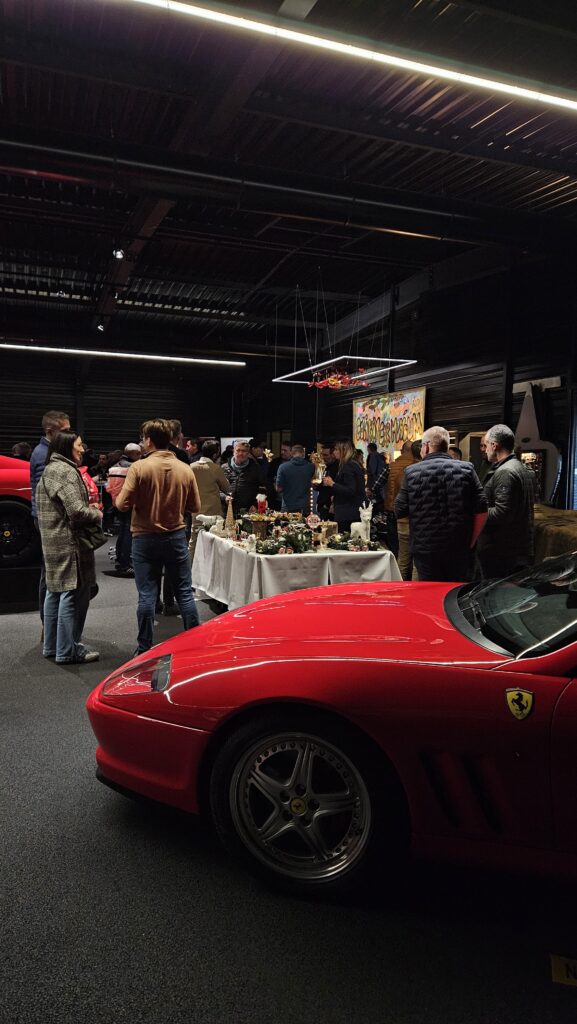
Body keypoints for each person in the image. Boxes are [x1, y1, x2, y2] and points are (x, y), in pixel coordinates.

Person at [115, 418, 201, 655]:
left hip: (144, 538)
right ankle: (195, 646)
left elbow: (122, 505)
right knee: (184, 592)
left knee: (147, 595)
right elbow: (195, 505)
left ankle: (143, 648)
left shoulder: (139, 468)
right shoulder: (185, 468)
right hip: (175, 537)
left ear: (149, 440)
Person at [36, 429, 102, 664]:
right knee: (71, 595)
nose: (83, 450)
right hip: (69, 542)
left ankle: (53, 648)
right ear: (67, 448)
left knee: (55, 593)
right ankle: (67, 650)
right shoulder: (65, 471)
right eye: (79, 446)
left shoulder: (50, 469)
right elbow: (76, 510)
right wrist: (96, 513)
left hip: (52, 540)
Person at [394, 425, 488, 583]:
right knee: (457, 595)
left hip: (426, 551)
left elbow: (400, 510)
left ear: (426, 446)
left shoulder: (411, 472)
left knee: (429, 595)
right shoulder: (467, 469)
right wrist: (471, 540)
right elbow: (482, 508)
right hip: (459, 549)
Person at [476, 423, 535, 579]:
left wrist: (476, 513)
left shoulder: (505, 472)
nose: (485, 449)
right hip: (513, 548)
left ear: (495, 445)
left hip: (502, 551)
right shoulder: (518, 467)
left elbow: (502, 513)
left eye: (486, 445)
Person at [30, 409, 71, 631]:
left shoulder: (45, 451)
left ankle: (50, 627)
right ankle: (49, 627)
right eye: (65, 431)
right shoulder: (43, 454)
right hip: (49, 521)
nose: (69, 435)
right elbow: (47, 493)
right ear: (50, 431)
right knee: (51, 576)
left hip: (46, 519)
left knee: (50, 574)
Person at [189, 440, 231, 559]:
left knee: (194, 541)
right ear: (214, 455)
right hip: (214, 511)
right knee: (215, 540)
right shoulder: (215, 468)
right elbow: (226, 488)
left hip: (196, 510)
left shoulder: (191, 467)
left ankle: (190, 569)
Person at [381, 439, 419, 565]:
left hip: (395, 511)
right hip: (414, 517)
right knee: (415, 560)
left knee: (398, 551)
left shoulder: (392, 466)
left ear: (403, 451)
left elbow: (377, 484)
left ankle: (395, 574)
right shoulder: (418, 469)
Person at [106, 443, 142, 575]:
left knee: (122, 532)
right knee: (128, 533)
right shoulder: (133, 467)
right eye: (138, 454)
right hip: (129, 504)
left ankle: (121, 561)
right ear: (132, 454)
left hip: (116, 503)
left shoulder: (114, 467)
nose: (140, 456)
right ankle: (126, 563)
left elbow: (108, 487)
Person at [322, 439, 366, 532]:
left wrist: (332, 484)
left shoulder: (349, 466)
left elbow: (350, 490)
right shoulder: (350, 464)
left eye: (336, 450)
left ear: (344, 450)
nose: (334, 452)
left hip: (348, 514)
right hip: (350, 512)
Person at [222, 439, 262, 516]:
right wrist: (224, 497)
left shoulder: (255, 468)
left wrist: (255, 504)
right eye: (238, 450)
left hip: (248, 511)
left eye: (244, 451)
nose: (240, 453)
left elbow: (262, 488)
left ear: (248, 453)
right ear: (234, 451)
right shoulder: (224, 467)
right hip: (227, 510)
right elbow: (216, 488)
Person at [275, 444, 315, 515]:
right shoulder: (311, 467)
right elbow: (314, 484)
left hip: (287, 506)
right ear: (303, 454)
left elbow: (279, 488)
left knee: (286, 526)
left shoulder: (283, 467)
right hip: (304, 507)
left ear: (291, 453)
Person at [315, 442, 338, 520]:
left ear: (333, 454)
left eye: (325, 455)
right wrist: (317, 486)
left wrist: (327, 505)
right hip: (323, 505)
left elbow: (336, 489)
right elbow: (323, 485)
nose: (323, 457)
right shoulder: (326, 467)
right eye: (322, 454)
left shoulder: (338, 469)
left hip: (331, 508)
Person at [267, 441, 292, 510]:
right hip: (276, 499)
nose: (282, 452)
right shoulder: (275, 463)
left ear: (291, 451)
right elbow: (268, 478)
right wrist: (274, 482)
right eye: (281, 450)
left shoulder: (296, 464)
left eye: (285, 450)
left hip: (292, 500)